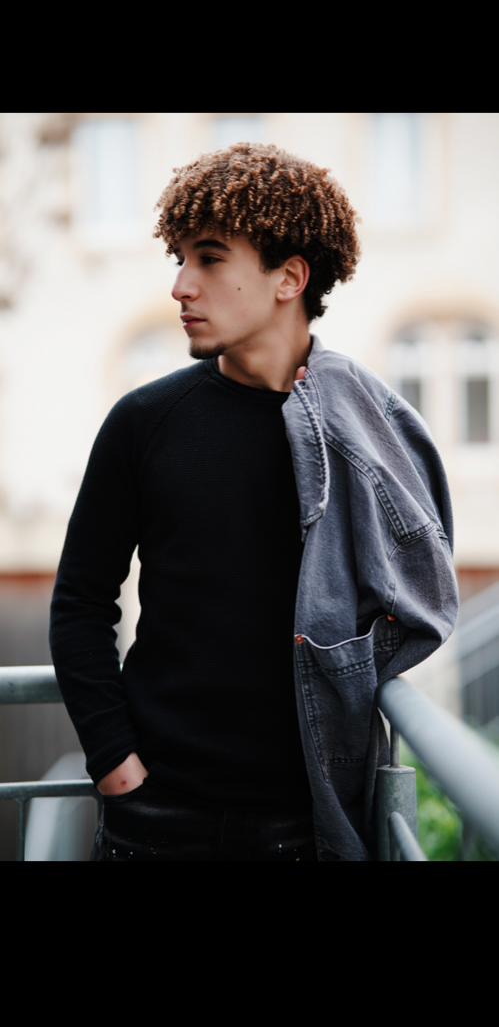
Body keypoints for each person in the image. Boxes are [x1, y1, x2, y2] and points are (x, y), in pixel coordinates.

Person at [50, 143, 459, 862]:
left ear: (289, 278)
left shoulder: (366, 431)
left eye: (209, 259)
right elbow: (80, 603)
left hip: (306, 821)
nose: (180, 286)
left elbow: (422, 589)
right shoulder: (143, 422)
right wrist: (117, 765)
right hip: (156, 816)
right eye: (179, 259)